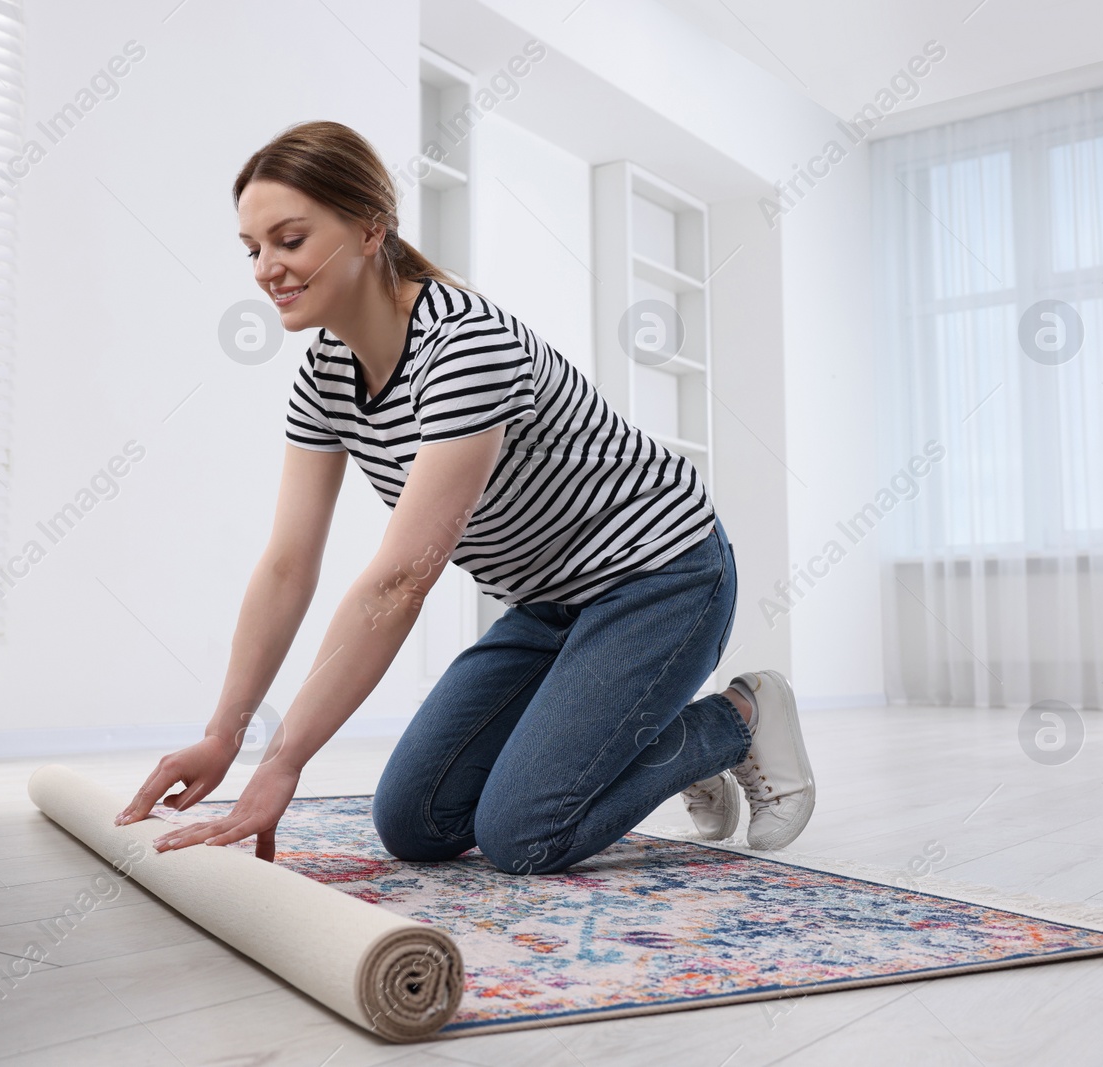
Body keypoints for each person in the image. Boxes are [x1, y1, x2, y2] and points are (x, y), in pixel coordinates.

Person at [114, 120, 815, 872]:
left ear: (369, 228)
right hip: (548, 606)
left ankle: (735, 718)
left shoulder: (464, 346)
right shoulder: (323, 378)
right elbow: (288, 564)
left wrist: (282, 761)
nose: (265, 268)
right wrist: (226, 734)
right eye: (253, 249)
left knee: (524, 835)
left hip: (662, 578)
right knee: (414, 822)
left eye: (289, 239)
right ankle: (637, 729)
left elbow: (400, 579)